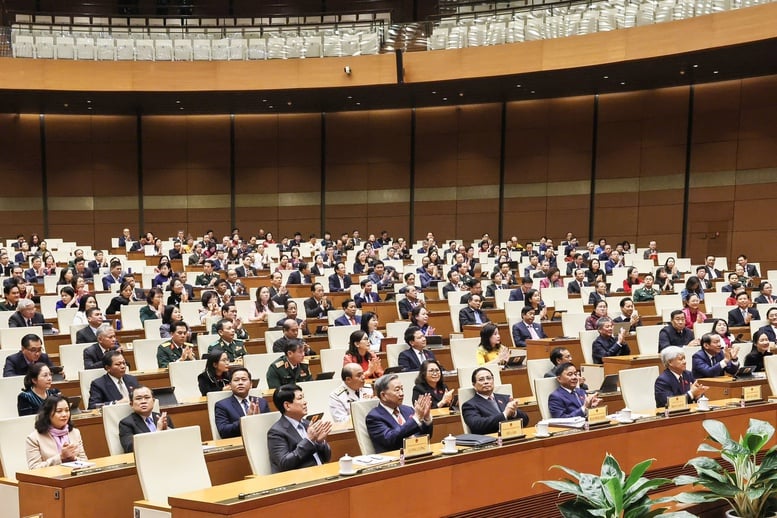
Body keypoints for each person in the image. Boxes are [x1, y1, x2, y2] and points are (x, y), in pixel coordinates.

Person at [268, 384, 332, 473]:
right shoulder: (276, 432)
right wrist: (308, 440)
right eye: (300, 398)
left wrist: (319, 442)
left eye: (303, 398)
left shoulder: (308, 424)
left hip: (320, 472)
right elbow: (284, 464)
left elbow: (326, 458)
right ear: (287, 406)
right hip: (299, 479)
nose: (305, 402)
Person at [366, 373, 434, 454]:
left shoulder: (408, 410)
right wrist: (416, 418)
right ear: (383, 395)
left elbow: (424, 437)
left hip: (416, 454)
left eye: (402, 389)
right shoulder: (374, 417)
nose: (402, 393)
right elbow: (390, 439)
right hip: (393, 459)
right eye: (397, 390)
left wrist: (426, 418)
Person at [461, 367, 528, 434]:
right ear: (474, 385)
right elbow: (477, 425)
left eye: (489, 378)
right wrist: (504, 414)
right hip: (490, 441)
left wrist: (514, 413)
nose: (486, 382)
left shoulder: (505, 398)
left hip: (512, 435)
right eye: (481, 380)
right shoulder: (469, 405)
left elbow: (525, 422)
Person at [26, 395, 87, 469]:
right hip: (50, 479)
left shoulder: (75, 433)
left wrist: (73, 458)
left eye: (67, 410)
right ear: (47, 414)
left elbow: (85, 461)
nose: (64, 414)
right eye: (59, 411)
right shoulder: (34, 438)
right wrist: (61, 457)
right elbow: (34, 468)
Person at [214, 367, 270, 439]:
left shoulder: (262, 402)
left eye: (244, 379)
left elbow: (269, 425)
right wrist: (246, 419)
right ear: (230, 385)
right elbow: (223, 431)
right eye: (236, 380)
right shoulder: (222, 405)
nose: (240, 383)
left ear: (251, 384)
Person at [118, 386, 174, 453]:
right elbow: (129, 448)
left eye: (147, 398)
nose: (143, 401)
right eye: (138, 398)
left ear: (153, 401)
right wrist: (158, 431)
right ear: (131, 404)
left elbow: (176, 440)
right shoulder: (126, 423)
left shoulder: (164, 418)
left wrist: (167, 430)